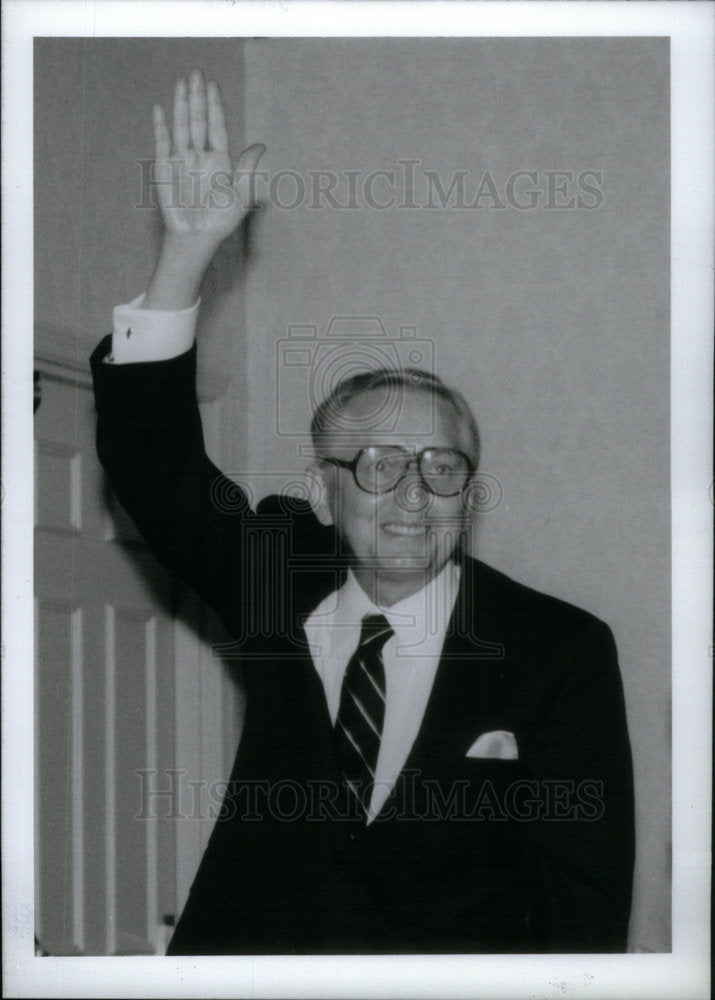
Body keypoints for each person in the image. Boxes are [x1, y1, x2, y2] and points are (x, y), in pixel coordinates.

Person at [91, 69, 635, 954]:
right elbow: (155, 469)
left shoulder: (556, 650)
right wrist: (184, 256)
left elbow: (583, 904)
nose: (414, 496)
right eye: (379, 465)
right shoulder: (276, 576)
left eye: (441, 467)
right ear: (322, 489)